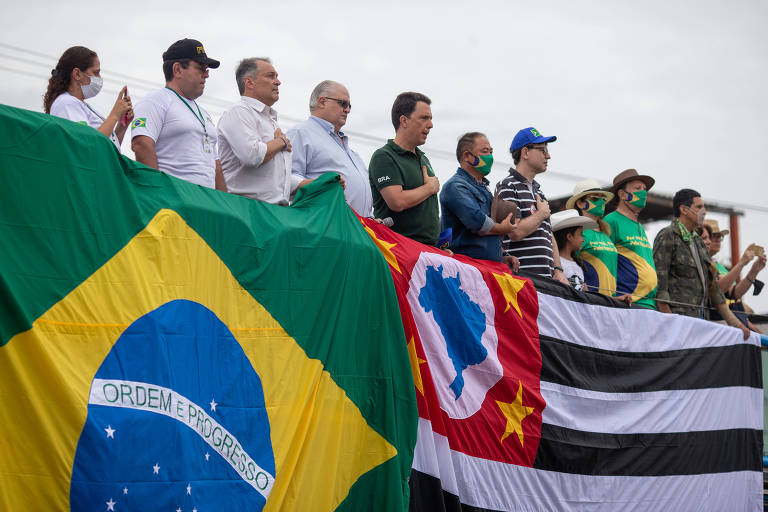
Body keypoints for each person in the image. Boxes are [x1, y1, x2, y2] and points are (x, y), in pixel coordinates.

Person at [131, 39, 226, 191]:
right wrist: (156, 192)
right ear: (177, 70)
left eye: (207, 70)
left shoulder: (204, 113)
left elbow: (215, 165)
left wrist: (223, 204)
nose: (206, 75)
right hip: (174, 200)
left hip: (207, 202)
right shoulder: (155, 101)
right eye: (201, 68)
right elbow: (141, 145)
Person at [653, 189, 748, 339]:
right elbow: (659, 282)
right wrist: (669, 321)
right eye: (698, 207)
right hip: (679, 323)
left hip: (701, 321)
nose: (703, 211)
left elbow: (713, 289)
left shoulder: (698, 241)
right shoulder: (668, 235)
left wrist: (736, 323)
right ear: (683, 209)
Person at [217, 57, 311, 204]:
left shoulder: (270, 120)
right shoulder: (238, 112)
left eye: (277, 77)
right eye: (270, 76)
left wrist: (318, 184)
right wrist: (281, 142)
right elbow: (252, 155)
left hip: (273, 213)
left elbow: (275, 183)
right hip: (247, 210)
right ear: (249, 83)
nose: (278, 82)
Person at [495, 127, 568, 284]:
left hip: (546, 283)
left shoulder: (539, 192)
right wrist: (541, 214)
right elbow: (515, 231)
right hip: (522, 282)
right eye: (542, 150)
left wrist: (558, 270)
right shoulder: (507, 185)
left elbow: (549, 234)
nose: (548, 155)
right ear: (525, 152)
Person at [287, 81, 370, 215]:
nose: (347, 110)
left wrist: (370, 216)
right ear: (322, 102)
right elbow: (285, 179)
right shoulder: (301, 133)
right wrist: (323, 183)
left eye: (349, 106)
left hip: (359, 227)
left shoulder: (350, 150)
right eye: (343, 103)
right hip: (326, 225)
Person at [368, 92, 439, 245]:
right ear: (404, 121)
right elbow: (397, 201)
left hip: (427, 252)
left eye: (431, 119)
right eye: (424, 118)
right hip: (400, 252)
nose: (430, 125)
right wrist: (429, 188)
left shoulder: (423, 158)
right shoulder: (384, 156)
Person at [439, 132, 520, 263]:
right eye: (485, 151)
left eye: (491, 152)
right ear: (467, 156)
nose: (490, 157)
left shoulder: (484, 188)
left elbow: (488, 234)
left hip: (486, 268)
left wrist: (504, 255)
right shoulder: (455, 186)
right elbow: (477, 222)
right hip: (467, 268)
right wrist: (502, 229)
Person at [44, 46, 133, 150]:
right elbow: (86, 145)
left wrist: (122, 126)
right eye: (96, 72)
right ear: (77, 74)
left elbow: (107, 149)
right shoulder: (66, 103)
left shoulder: (80, 104)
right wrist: (114, 114)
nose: (99, 77)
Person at [603, 169, 657, 309]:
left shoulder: (639, 226)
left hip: (650, 303)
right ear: (622, 194)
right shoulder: (611, 220)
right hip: (629, 302)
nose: (643, 193)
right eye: (637, 188)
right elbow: (604, 258)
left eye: (645, 189)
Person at [703, 219, 766, 332]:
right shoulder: (702, 263)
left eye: (720, 236)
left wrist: (754, 270)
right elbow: (719, 290)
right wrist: (742, 263)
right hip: (716, 321)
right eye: (713, 236)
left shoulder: (718, 266)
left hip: (729, 319)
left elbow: (735, 293)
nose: (718, 239)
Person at [566, 179, 621, 297]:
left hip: (611, 302)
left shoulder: (605, 234)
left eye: (603, 199)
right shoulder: (578, 233)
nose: (601, 202)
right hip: (590, 301)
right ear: (580, 204)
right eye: (595, 198)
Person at [551, 210, 598, 291]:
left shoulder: (578, 263)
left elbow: (587, 295)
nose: (583, 240)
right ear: (569, 236)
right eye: (581, 234)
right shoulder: (555, 264)